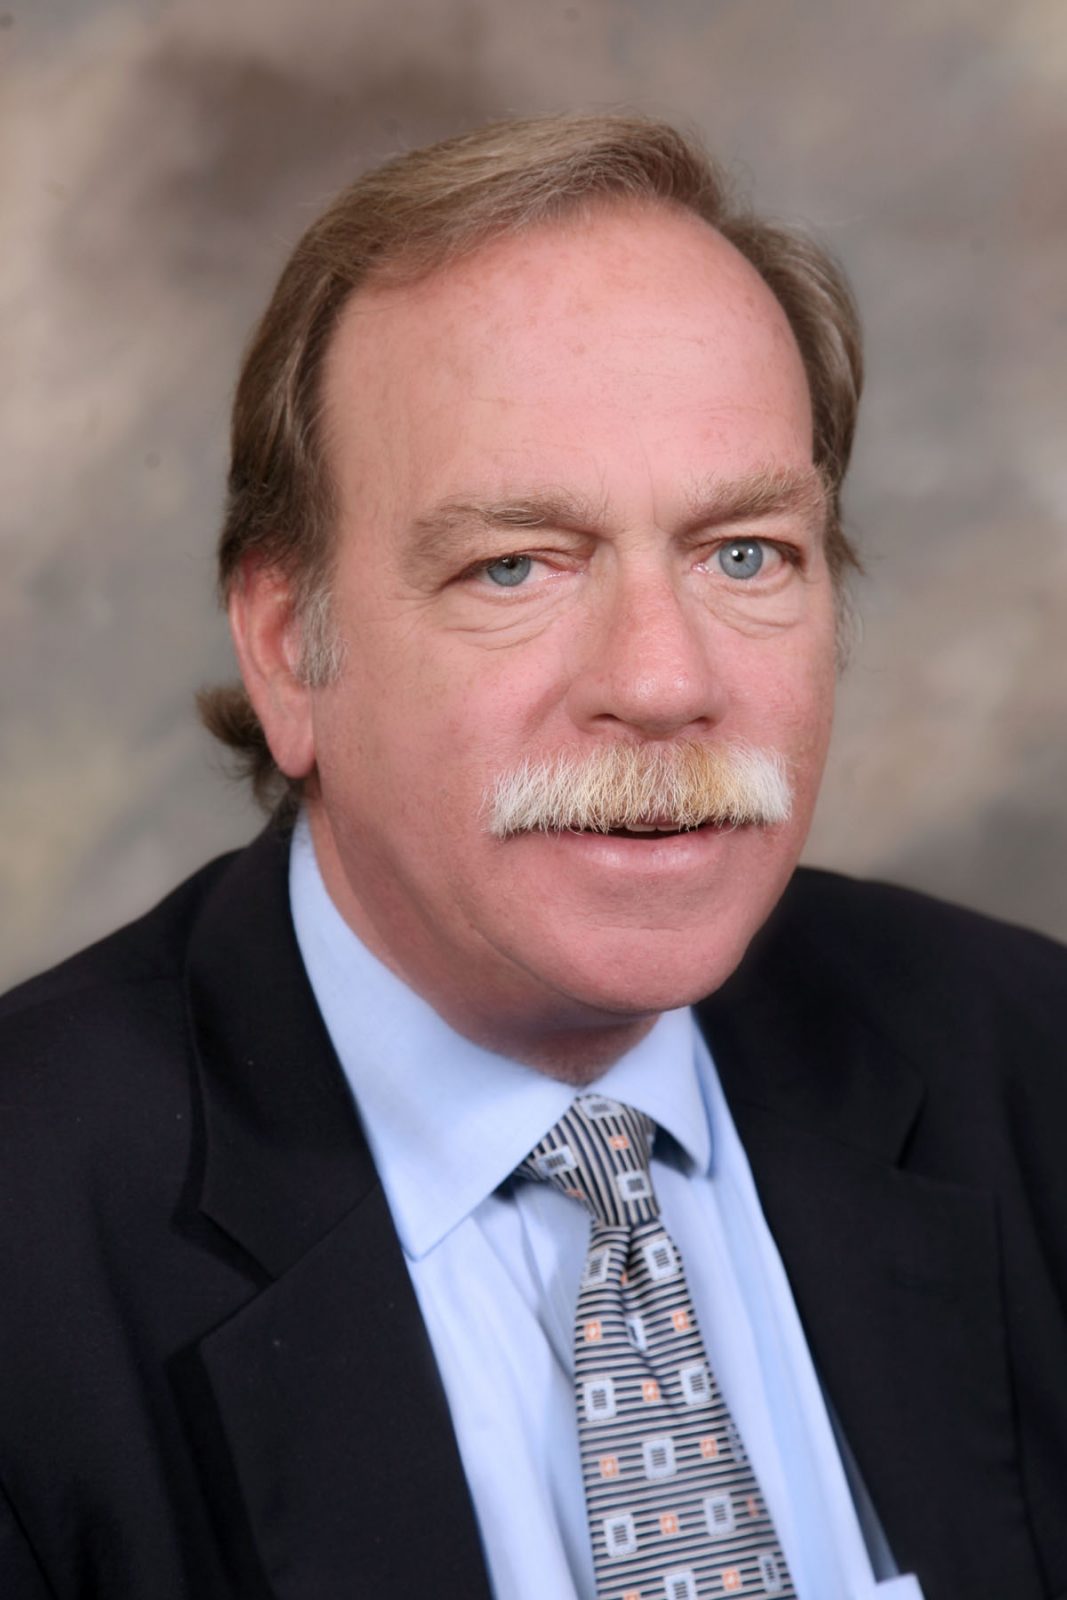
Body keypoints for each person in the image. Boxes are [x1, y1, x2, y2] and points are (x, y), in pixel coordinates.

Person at [1, 113, 1064, 1600]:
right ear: (289, 652)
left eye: (745, 552)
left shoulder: (1032, 1063)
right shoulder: (29, 1240)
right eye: (515, 565)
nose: (665, 680)